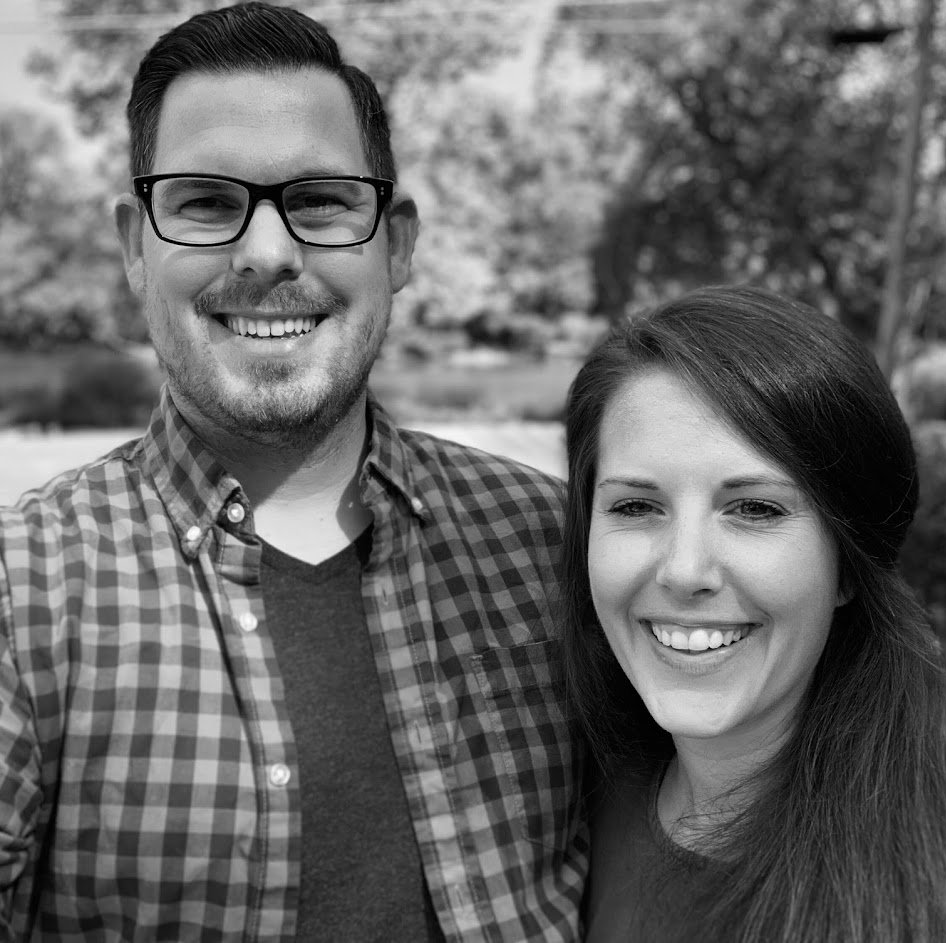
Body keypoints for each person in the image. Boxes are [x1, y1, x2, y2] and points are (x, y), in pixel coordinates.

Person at [0, 4, 587, 940]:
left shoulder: (556, 548)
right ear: (131, 246)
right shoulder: (23, 593)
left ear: (394, 245)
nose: (268, 253)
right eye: (204, 201)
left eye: (320, 201)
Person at [561, 285, 946, 942]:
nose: (684, 570)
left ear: (849, 566)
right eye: (635, 506)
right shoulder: (576, 809)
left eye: (756, 509)